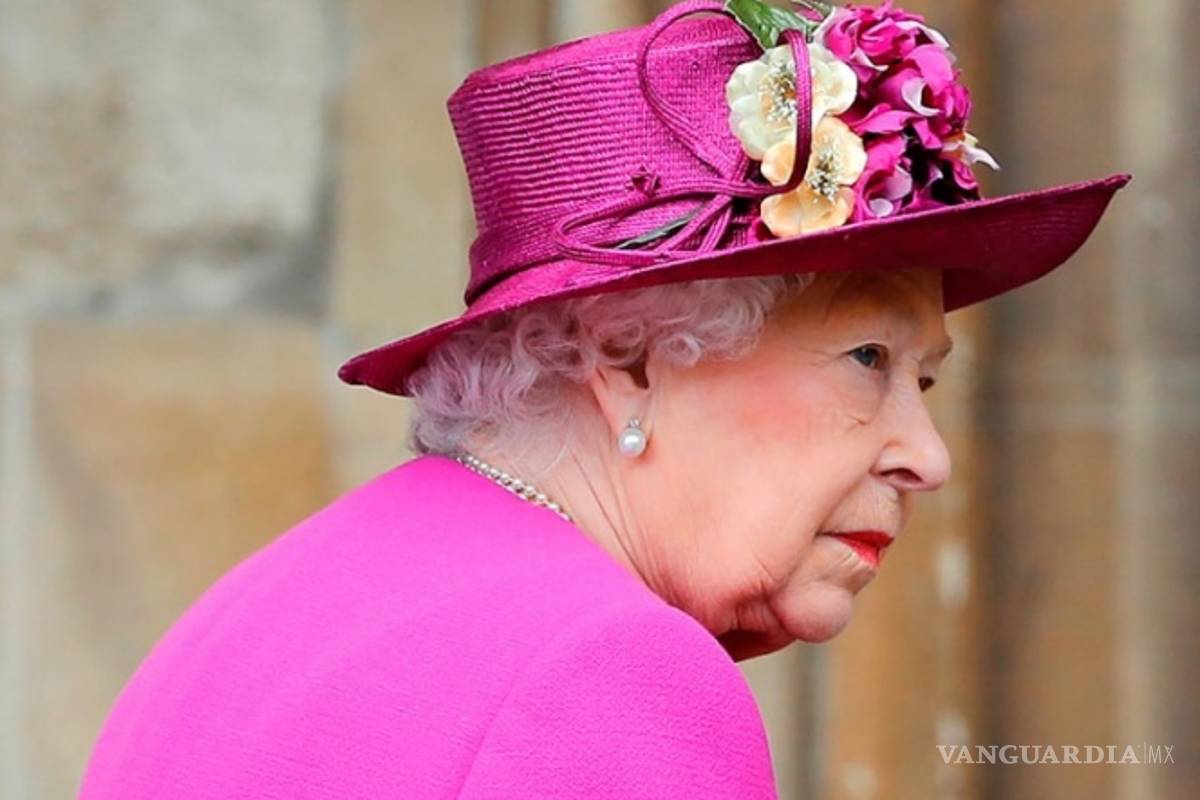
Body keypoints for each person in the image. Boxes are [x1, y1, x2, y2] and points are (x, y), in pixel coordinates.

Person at [80, 0, 1130, 797]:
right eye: (867, 359)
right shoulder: (607, 672)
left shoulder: (281, 600)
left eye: (925, 378)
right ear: (630, 359)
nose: (927, 456)